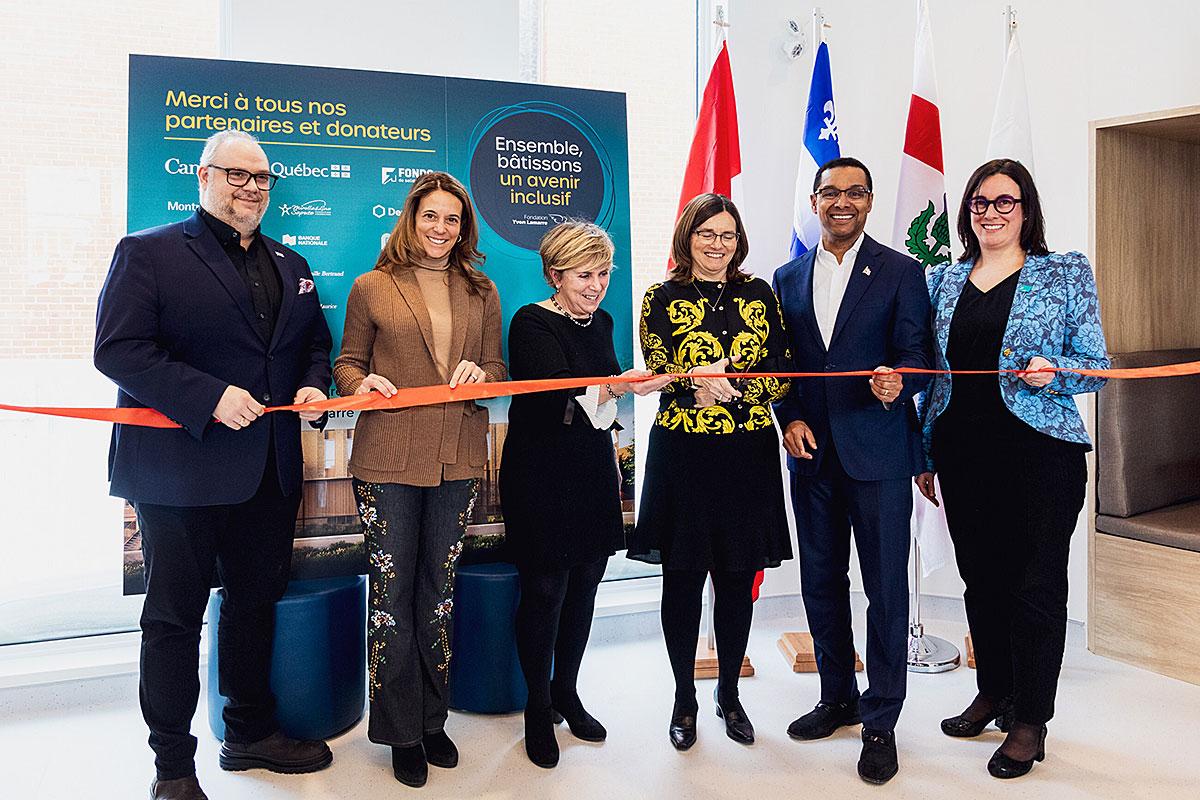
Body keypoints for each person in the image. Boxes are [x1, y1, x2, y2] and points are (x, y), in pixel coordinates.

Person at [94, 129, 334, 800]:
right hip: (180, 474)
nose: (251, 187)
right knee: (174, 618)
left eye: (262, 178)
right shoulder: (148, 253)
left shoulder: (292, 262)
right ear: (202, 177)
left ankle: (249, 732)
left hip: (267, 471)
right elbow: (118, 350)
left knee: (255, 605)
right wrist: (209, 397)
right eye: (237, 174)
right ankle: (172, 767)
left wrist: (313, 385)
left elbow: (313, 345)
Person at [916, 158, 1109, 779]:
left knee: (1036, 586)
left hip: (1040, 455)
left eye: (1005, 202)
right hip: (962, 453)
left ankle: (1030, 719)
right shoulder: (944, 279)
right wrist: (924, 448)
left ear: (1027, 210)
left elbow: (1096, 366)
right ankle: (993, 691)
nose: (990, 213)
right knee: (982, 580)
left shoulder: (1063, 272)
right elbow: (932, 375)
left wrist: (1057, 370)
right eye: (979, 203)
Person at [333, 170, 505, 789]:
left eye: (452, 219)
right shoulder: (371, 287)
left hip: (456, 457)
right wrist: (360, 385)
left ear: (464, 227)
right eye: (431, 216)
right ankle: (400, 732)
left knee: (438, 595)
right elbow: (346, 365)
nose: (441, 228)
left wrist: (481, 373)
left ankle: (434, 722)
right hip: (387, 460)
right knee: (393, 600)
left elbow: (496, 364)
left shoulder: (481, 290)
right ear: (412, 219)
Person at [771, 156, 932, 785]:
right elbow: (777, 364)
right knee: (821, 582)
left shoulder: (901, 271)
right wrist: (787, 417)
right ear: (814, 201)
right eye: (831, 192)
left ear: (869, 201)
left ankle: (881, 721)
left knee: (887, 590)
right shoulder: (786, 278)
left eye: (855, 193)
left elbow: (919, 356)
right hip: (811, 456)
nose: (843, 202)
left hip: (880, 453)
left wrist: (902, 382)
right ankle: (836, 696)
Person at [500, 220, 672, 768]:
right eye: (583, 275)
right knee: (545, 590)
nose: (596, 285)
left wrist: (626, 385)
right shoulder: (530, 323)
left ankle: (567, 691)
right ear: (555, 275)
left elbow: (600, 401)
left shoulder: (603, 322)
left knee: (584, 591)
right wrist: (621, 385)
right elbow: (558, 401)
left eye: (602, 274)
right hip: (540, 476)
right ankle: (536, 705)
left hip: (591, 473)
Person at [629, 193, 794, 752]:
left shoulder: (761, 293)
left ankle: (729, 694)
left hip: (747, 456)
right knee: (681, 580)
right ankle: (684, 697)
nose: (717, 244)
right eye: (706, 234)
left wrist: (735, 387)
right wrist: (696, 384)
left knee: (735, 582)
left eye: (727, 235)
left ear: (738, 241)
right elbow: (659, 365)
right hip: (684, 457)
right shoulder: (661, 294)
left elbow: (783, 371)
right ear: (688, 238)